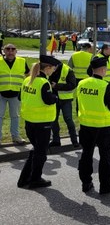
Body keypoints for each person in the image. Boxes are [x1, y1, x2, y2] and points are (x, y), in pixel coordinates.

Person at [76, 56, 110, 194]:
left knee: (86, 154)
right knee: (105, 156)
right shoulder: (105, 86)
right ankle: (106, 185)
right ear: (103, 69)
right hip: (103, 126)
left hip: (85, 125)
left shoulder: (82, 83)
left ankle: (86, 183)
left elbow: (78, 103)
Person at [17, 55, 60, 189]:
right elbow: (48, 100)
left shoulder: (27, 80)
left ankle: (24, 178)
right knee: (41, 152)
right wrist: (56, 97)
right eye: (52, 69)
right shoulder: (43, 83)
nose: (53, 71)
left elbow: (20, 97)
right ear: (47, 68)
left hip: (29, 121)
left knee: (36, 149)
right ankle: (35, 179)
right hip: (42, 122)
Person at [0, 43, 30, 145]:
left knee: (15, 116)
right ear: (4, 51)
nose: (10, 51)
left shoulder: (22, 61)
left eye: (13, 49)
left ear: (16, 51)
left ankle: (16, 136)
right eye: (8, 49)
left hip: (16, 94)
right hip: (1, 94)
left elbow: (29, 76)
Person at [49, 61, 79, 147]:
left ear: (56, 65)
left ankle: (74, 141)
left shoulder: (67, 70)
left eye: (52, 67)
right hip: (53, 98)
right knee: (53, 120)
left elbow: (73, 85)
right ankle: (56, 140)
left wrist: (57, 86)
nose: (52, 69)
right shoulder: (49, 70)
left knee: (68, 119)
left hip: (65, 100)